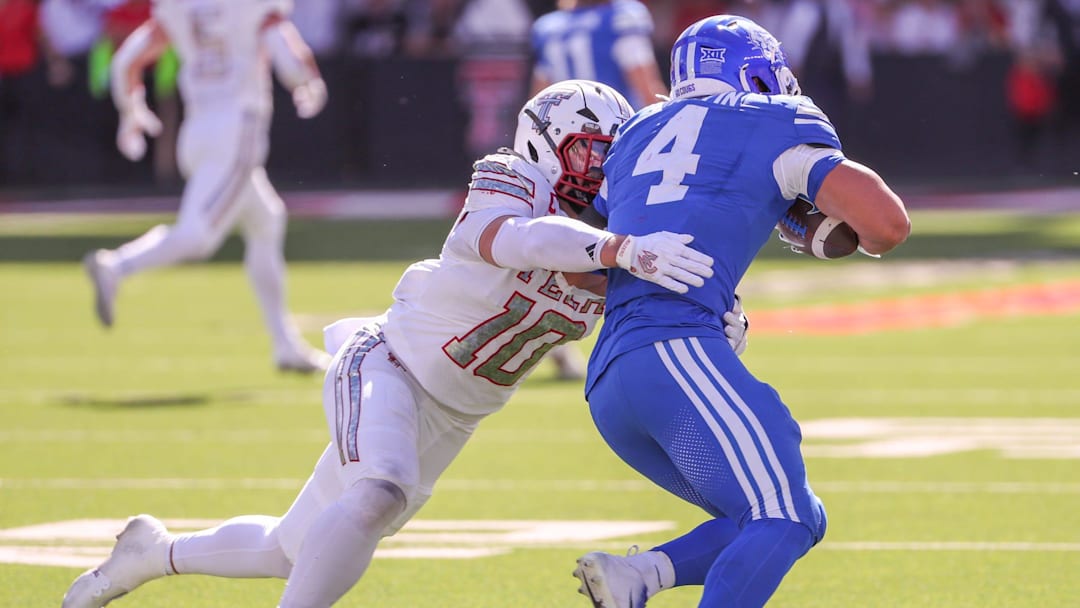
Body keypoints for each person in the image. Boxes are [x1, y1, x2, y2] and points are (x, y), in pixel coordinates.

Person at [61, 79, 747, 608]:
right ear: (545, 145)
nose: (603, 173)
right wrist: (622, 248)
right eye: (591, 153)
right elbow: (518, 240)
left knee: (292, 548)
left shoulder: (610, 233)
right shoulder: (511, 180)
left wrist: (716, 318)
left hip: (453, 416)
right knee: (375, 496)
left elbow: (653, 320)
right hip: (388, 362)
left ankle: (155, 554)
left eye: (612, 157)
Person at [571, 15, 910, 608]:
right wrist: (799, 191)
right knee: (782, 519)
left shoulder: (635, 135)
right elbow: (885, 227)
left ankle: (641, 575)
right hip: (676, 352)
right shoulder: (777, 121)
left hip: (611, 382)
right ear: (755, 72)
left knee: (793, 512)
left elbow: (586, 267)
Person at [81, 0, 331, 373]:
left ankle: (285, 345)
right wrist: (307, 82)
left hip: (197, 130)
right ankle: (116, 266)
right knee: (197, 237)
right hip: (237, 131)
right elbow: (286, 49)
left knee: (267, 222)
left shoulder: (179, 6)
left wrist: (130, 110)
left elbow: (125, 62)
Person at [530, 0, 667, 379]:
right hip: (617, 144)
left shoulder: (549, 27)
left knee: (563, 242)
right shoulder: (622, 16)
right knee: (637, 243)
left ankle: (546, 332)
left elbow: (538, 97)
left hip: (567, 151)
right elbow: (643, 78)